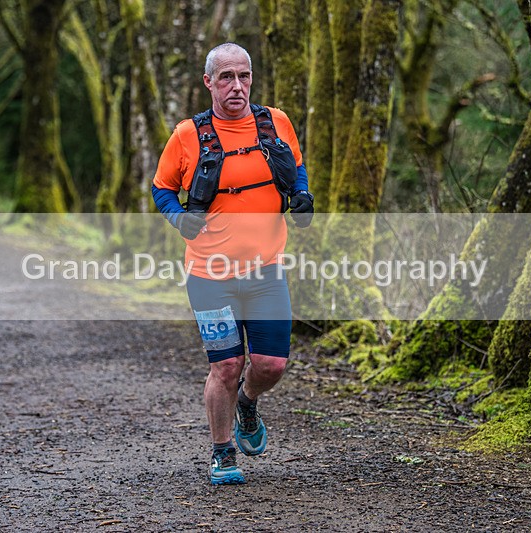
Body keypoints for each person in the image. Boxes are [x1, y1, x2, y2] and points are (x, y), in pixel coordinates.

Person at [150, 42, 314, 485]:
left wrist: (301, 195)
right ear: (209, 82)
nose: (236, 86)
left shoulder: (275, 122)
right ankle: (223, 452)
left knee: (271, 365)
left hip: (266, 272)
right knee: (225, 365)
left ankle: (247, 402)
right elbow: (162, 188)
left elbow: (296, 166)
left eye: (244, 76)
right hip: (210, 276)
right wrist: (178, 217)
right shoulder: (187, 135)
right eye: (226, 77)